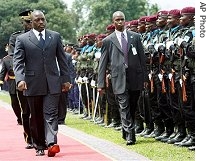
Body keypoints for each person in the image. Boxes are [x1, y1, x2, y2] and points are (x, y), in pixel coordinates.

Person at [13, 10, 71, 157]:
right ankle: (39, 144)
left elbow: (62, 60)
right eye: (37, 20)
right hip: (32, 83)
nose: (41, 22)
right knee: (36, 115)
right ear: (31, 22)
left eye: (43, 19)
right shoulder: (22, 39)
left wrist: (65, 79)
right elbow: (18, 62)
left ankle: (51, 143)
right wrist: (20, 79)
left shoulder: (55, 36)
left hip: (53, 82)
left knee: (51, 114)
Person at [97, 11, 148, 145]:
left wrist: (145, 79)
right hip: (118, 78)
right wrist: (100, 84)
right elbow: (102, 63)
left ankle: (126, 130)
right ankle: (131, 135)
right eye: (117, 20)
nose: (120, 22)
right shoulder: (108, 41)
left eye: (122, 19)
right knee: (124, 106)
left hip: (135, 77)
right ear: (113, 22)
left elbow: (142, 59)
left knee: (132, 105)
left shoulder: (135, 37)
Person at [1, 10, 34, 149]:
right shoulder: (16, 38)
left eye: (32, 21)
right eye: (28, 22)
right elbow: (15, 58)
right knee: (26, 111)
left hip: (39, 77)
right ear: (24, 23)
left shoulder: (46, 36)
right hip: (24, 78)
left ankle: (42, 137)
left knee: (42, 110)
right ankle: (30, 138)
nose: (31, 24)